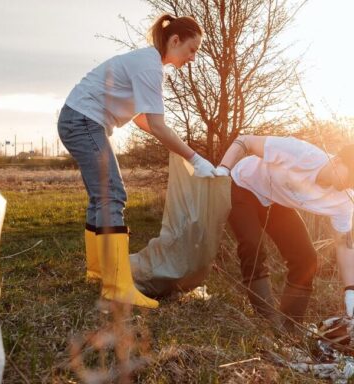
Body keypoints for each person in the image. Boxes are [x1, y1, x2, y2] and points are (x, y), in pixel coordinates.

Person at [58, 14, 216, 309]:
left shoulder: (150, 64)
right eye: (192, 50)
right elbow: (156, 124)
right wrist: (195, 158)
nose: (193, 58)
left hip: (80, 120)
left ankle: (99, 273)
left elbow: (144, 119)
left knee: (102, 196)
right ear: (175, 40)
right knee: (112, 194)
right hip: (83, 120)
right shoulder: (149, 66)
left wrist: (179, 148)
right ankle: (117, 286)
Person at [215, 135, 354, 332]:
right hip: (244, 185)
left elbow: (344, 243)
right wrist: (223, 169)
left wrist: (351, 290)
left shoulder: (345, 199)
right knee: (253, 244)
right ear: (338, 161)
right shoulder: (303, 154)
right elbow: (245, 141)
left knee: (306, 259)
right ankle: (268, 321)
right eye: (351, 176)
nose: (350, 183)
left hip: (276, 200)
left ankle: (289, 328)